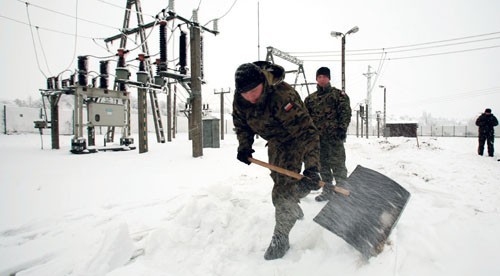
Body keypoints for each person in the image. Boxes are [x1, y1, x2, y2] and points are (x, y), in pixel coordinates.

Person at [232, 61, 321, 260]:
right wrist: (244, 145)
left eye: (254, 91)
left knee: (282, 190)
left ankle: (281, 236)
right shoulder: (240, 99)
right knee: (279, 179)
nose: (251, 97)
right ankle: (293, 207)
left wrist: (312, 167)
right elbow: (241, 124)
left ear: (263, 82)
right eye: (245, 93)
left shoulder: (282, 96)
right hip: (275, 141)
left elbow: (307, 133)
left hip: (295, 138)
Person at [304, 67, 352, 202]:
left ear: (329, 78)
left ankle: (342, 191)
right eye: (319, 77)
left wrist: (342, 129)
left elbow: (345, 113)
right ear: (316, 79)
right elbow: (305, 118)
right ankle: (328, 191)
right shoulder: (310, 99)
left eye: (324, 76)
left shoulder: (338, 95)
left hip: (334, 138)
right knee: (323, 167)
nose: (322, 79)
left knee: (338, 166)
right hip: (318, 140)